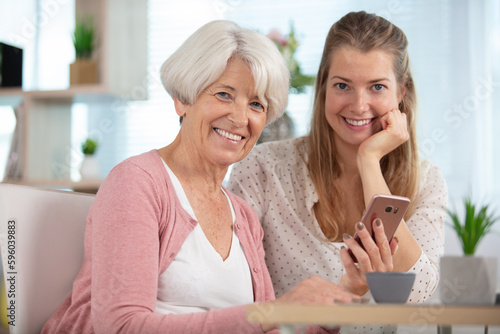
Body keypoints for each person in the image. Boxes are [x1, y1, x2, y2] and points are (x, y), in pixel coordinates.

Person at [42, 20, 359, 334]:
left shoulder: (244, 217)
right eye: (224, 94)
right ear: (182, 98)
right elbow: (121, 327)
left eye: (256, 104)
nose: (239, 118)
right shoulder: (137, 183)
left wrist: (332, 308)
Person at [228, 10, 448, 329]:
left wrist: (369, 161)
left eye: (377, 87)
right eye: (343, 85)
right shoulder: (262, 169)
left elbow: (416, 290)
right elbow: (233, 300)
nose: (359, 105)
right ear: (323, 87)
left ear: (402, 92)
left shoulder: (426, 181)